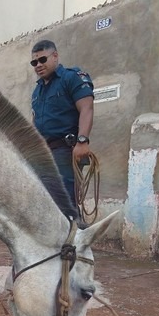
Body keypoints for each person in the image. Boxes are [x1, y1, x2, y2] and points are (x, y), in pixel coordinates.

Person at [30, 39, 94, 211]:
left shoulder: (71, 77)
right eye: (34, 62)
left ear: (55, 56)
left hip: (65, 150)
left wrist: (82, 141)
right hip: (44, 152)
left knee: (66, 203)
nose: (38, 65)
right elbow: (35, 123)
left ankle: (75, 236)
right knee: (46, 203)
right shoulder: (37, 91)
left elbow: (86, 108)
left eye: (43, 59)